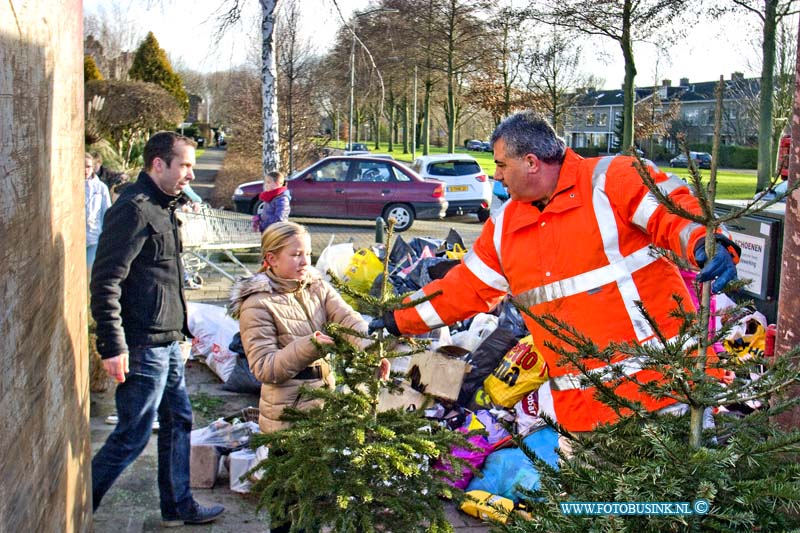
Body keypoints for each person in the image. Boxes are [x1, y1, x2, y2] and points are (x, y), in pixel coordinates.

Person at [373, 111, 740, 436]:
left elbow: (671, 211)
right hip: (584, 415)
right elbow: (463, 289)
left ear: (531, 162)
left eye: (502, 165)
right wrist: (396, 318)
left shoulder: (612, 179)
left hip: (665, 393)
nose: (496, 177)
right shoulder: (505, 228)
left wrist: (705, 243)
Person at [90, 131, 224, 526]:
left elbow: (163, 278)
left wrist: (183, 330)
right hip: (142, 344)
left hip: (166, 341)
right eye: (185, 165)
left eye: (193, 166)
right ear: (158, 164)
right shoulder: (133, 209)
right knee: (132, 436)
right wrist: (113, 346)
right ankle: (78, 509)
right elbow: (106, 281)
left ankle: (178, 506)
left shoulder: (164, 206)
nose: (191, 174)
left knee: (179, 420)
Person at [229, 221, 388, 533]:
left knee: (314, 500)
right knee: (288, 504)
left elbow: (348, 319)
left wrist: (373, 351)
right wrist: (309, 345)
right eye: (296, 255)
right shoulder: (257, 303)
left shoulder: (317, 285)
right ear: (271, 259)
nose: (305, 261)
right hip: (286, 418)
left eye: (308, 254)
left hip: (323, 410)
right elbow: (264, 367)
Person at [84, 152, 111, 272]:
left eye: (88, 166)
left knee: (90, 271)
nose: (85, 170)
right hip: (75, 239)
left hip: (94, 237)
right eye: (82, 166)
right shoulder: (70, 185)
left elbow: (107, 213)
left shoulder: (101, 188)